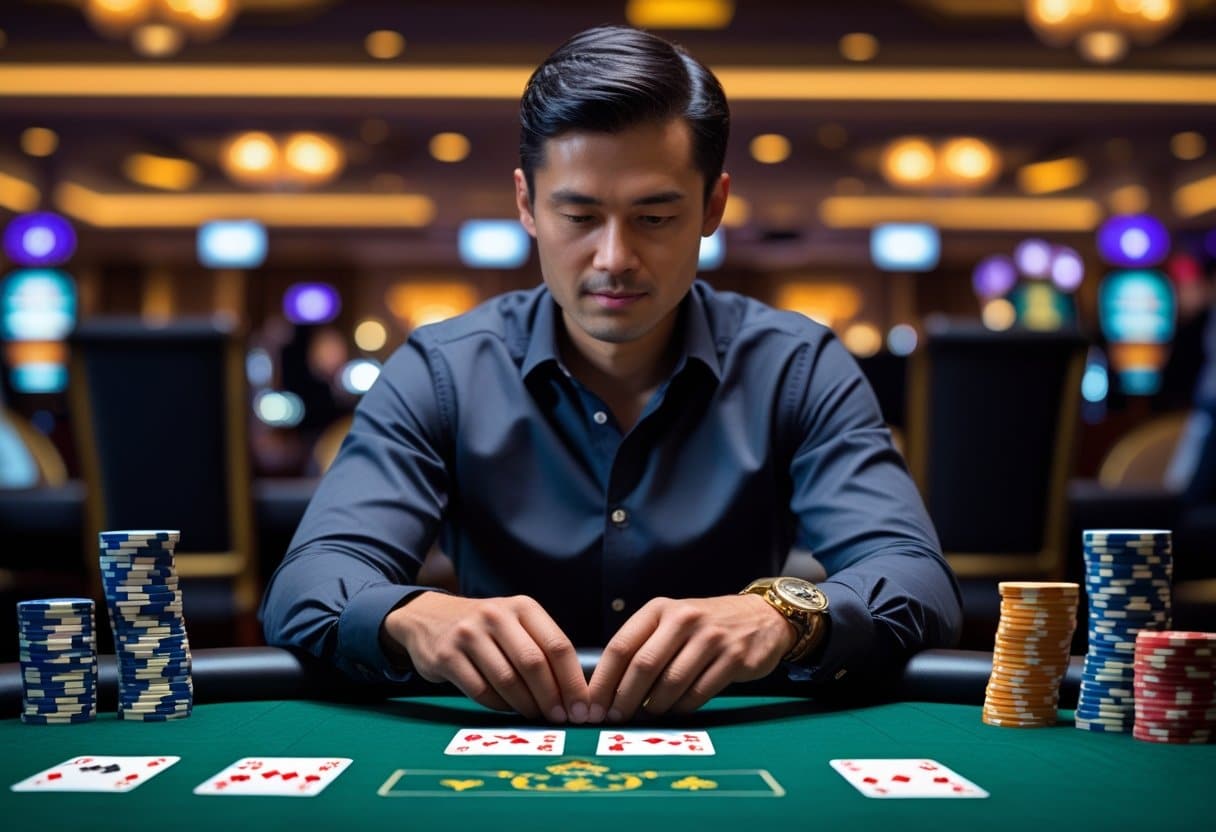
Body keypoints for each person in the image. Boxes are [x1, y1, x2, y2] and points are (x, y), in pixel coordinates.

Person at [260, 24, 962, 725]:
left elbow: (915, 577)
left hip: (730, 739)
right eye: (580, 216)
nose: (614, 258)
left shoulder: (796, 365)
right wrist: (412, 615)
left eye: (654, 216)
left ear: (713, 206)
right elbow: (309, 583)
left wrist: (782, 615)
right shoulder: (441, 369)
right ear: (527, 205)